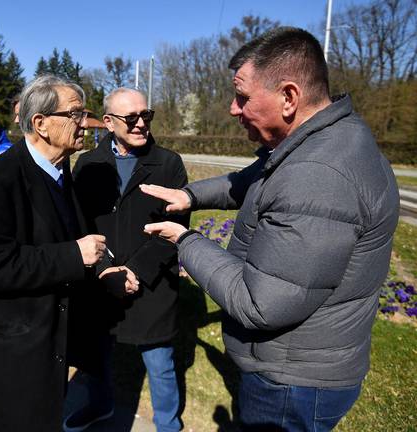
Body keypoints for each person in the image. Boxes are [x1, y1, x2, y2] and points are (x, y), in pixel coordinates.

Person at [142, 26, 400, 431]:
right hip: (301, 369)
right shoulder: (321, 140)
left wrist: (185, 239)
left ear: (288, 97)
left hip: (290, 383)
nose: (232, 108)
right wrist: (188, 197)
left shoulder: (317, 173)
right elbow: (254, 180)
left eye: (242, 96)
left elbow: (259, 303)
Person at [0, 75, 128, 431]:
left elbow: (72, 238)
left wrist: (103, 270)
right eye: (76, 114)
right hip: (10, 355)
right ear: (41, 124)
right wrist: (73, 256)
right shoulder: (0, 177)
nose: (85, 123)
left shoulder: (61, 171)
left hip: (46, 349)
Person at [70, 88, 189, 432]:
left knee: (161, 365)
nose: (141, 124)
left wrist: (135, 270)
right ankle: (101, 406)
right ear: (107, 122)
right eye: (131, 118)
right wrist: (105, 268)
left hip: (152, 285)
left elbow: (176, 230)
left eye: (146, 116)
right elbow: (81, 223)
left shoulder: (169, 163)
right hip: (101, 280)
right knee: (96, 358)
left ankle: (169, 425)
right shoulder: (89, 164)